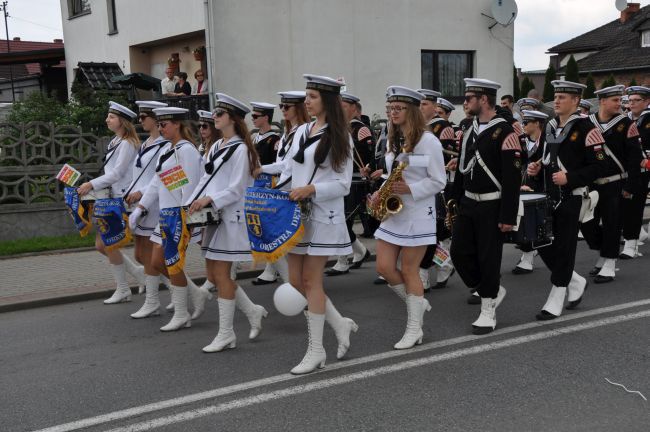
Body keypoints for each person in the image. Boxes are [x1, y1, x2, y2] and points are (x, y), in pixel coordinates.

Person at [283, 74, 358, 374]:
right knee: (295, 282)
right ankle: (340, 323)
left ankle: (316, 351)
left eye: (312, 96)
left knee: (312, 282)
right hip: (297, 216)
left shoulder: (341, 136)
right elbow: (290, 169)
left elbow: (343, 184)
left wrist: (312, 189)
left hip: (323, 217)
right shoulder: (301, 130)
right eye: (306, 96)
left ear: (326, 101)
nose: (306, 101)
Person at [187, 93, 268, 353]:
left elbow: (236, 189)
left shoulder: (241, 149)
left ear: (232, 119)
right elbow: (204, 179)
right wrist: (191, 201)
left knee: (221, 275)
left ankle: (226, 333)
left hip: (230, 218)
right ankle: (252, 311)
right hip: (212, 216)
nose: (214, 117)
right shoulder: (217, 146)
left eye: (219, 114)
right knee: (213, 274)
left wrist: (209, 199)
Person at [527, 80, 606, 320]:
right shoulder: (550, 126)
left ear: (576, 101)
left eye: (562, 97)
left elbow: (600, 166)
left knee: (564, 247)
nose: (557, 101)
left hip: (572, 197)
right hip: (549, 196)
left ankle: (557, 294)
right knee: (540, 244)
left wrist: (570, 177)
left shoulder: (587, 129)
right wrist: (536, 168)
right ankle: (575, 280)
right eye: (556, 96)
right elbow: (547, 160)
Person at [374, 85, 446, 349]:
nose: (393, 112)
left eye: (399, 108)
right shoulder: (395, 139)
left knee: (409, 269)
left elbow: (439, 180)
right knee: (383, 267)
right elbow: (391, 175)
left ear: (412, 111)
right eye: (390, 108)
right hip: (394, 213)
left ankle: (414, 328)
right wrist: (379, 193)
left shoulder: (429, 141)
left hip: (417, 212)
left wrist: (411, 189)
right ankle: (417, 303)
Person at [449, 78, 521, 334]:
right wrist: (454, 198)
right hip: (468, 203)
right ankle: (491, 288)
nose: (465, 102)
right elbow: (461, 168)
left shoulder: (506, 132)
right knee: (458, 252)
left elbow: (512, 180)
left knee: (489, 258)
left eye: (469, 98)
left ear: (484, 100)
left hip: (493, 204)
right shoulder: (469, 129)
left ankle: (488, 308)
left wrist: (508, 215)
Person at [130, 107, 210, 331]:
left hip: (179, 214)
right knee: (157, 262)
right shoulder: (168, 149)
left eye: (164, 124)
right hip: (166, 214)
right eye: (160, 124)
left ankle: (182, 313)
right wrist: (141, 208)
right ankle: (196, 294)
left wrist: (186, 216)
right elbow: (157, 182)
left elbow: (192, 185)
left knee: (171, 263)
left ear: (177, 125)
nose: (161, 128)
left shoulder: (187, 151)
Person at [77, 101, 145, 305]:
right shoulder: (115, 141)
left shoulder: (127, 144)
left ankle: (124, 289)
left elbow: (118, 173)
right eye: (108, 116)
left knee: (107, 243)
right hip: (111, 199)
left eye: (111, 117)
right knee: (103, 244)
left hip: (122, 199)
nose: (107, 119)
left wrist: (91, 184)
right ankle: (138, 274)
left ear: (122, 122)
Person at [581, 85, 641, 283]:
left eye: (620, 100)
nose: (620, 104)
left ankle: (609, 263)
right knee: (587, 224)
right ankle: (604, 252)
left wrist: (630, 187)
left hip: (616, 182)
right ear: (603, 101)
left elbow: (634, 159)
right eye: (615, 100)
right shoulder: (587, 123)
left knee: (612, 224)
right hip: (592, 184)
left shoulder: (626, 124)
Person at [253, 91, 310, 288]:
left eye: (287, 107)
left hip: (295, 192)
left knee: (287, 239)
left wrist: (277, 191)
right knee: (281, 238)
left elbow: (294, 168)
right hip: (285, 190)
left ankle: (296, 284)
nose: (283, 110)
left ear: (299, 108)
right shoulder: (288, 133)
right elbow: (284, 165)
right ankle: (292, 281)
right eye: (281, 107)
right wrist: (261, 169)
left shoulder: (303, 130)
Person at [125, 100, 171, 318]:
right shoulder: (145, 144)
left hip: (154, 205)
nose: (140, 121)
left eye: (144, 117)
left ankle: (153, 301)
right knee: (140, 255)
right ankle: (182, 289)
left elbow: (159, 177)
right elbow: (139, 175)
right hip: (140, 205)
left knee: (152, 257)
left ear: (155, 119)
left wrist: (141, 194)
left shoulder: (164, 145)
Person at [325, 92, 372, 276]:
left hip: (356, 180)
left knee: (342, 221)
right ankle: (360, 251)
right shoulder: (339, 128)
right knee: (341, 221)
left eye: (344, 106)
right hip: (340, 180)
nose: (341, 110)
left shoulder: (360, 128)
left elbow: (369, 154)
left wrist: (368, 168)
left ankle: (343, 260)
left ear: (354, 107)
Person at [416, 88, 456, 291]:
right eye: (419, 103)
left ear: (434, 107)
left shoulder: (443, 127)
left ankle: (423, 271)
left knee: (432, 231)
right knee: (433, 232)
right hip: (416, 187)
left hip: (438, 186)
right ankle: (445, 263)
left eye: (424, 104)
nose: (420, 107)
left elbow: (448, 158)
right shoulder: (413, 128)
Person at [511, 109, 548, 275]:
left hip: (542, 188)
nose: (522, 125)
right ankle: (528, 255)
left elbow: (553, 165)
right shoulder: (520, 141)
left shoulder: (548, 141)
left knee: (537, 225)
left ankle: (530, 255)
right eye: (522, 122)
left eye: (526, 123)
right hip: (522, 186)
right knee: (523, 223)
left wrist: (540, 170)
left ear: (537, 124)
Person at [620, 86, 650, 259]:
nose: (631, 104)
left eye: (636, 100)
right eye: (629, 100)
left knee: (635, 205)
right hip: (630, 168)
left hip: (645, 167)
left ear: (646, 102)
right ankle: (635, 236)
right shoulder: (624, 121)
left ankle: (632, 243)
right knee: (628, 205)